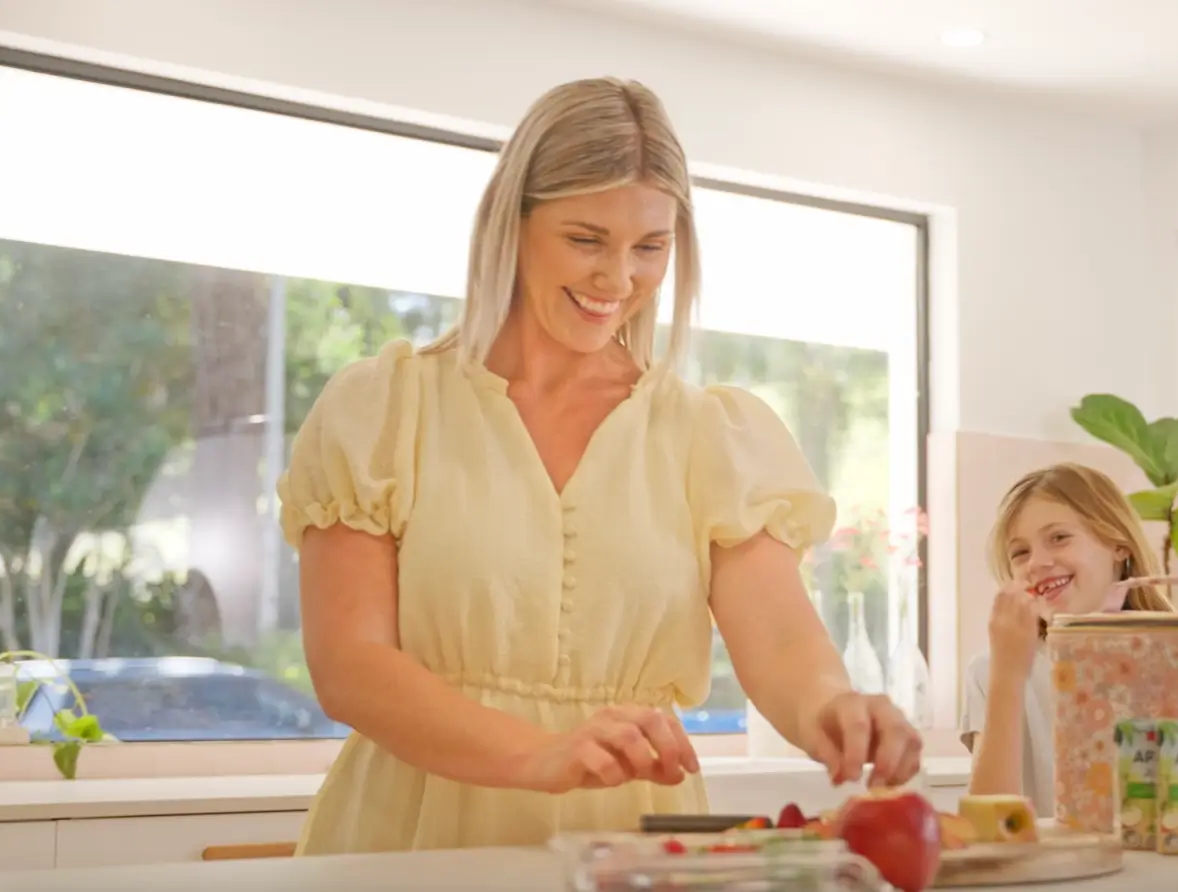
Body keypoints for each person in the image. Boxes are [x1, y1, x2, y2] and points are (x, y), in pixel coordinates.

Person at [276, 77, 921, 854]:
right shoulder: (385, 408)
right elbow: (350, 666)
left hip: (627, 838)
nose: (617, 280)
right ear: (512, 223)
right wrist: (539, 754)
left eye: (650, 247)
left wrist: (833, 707)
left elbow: (782, 640)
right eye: (586, 240)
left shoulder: (709, 433)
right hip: (411, 836)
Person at [960, 463, 1176, 806]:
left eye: (1059, 538)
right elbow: (988, 820)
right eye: (1020, 553)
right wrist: (1007, 675)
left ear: (1118, 544)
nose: (1037, 563)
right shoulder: (989, 671)